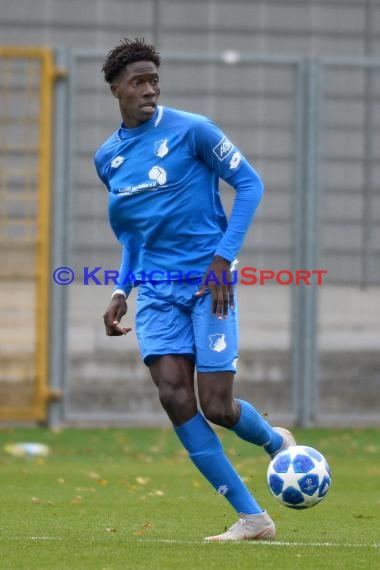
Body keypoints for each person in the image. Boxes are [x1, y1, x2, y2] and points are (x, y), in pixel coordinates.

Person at [94, 37, 295, 542]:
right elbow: (136, 235)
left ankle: (274, 441)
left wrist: (223, 260)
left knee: (218, 407)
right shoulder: (108, 159)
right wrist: (122, 289)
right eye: (138, 82)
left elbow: (250, 184)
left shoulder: (195, 131)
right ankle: (254, 519)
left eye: (154, 80)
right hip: (158, 293)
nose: (149, 89)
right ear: (116, 89)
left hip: (210, 284)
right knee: (174, 397)